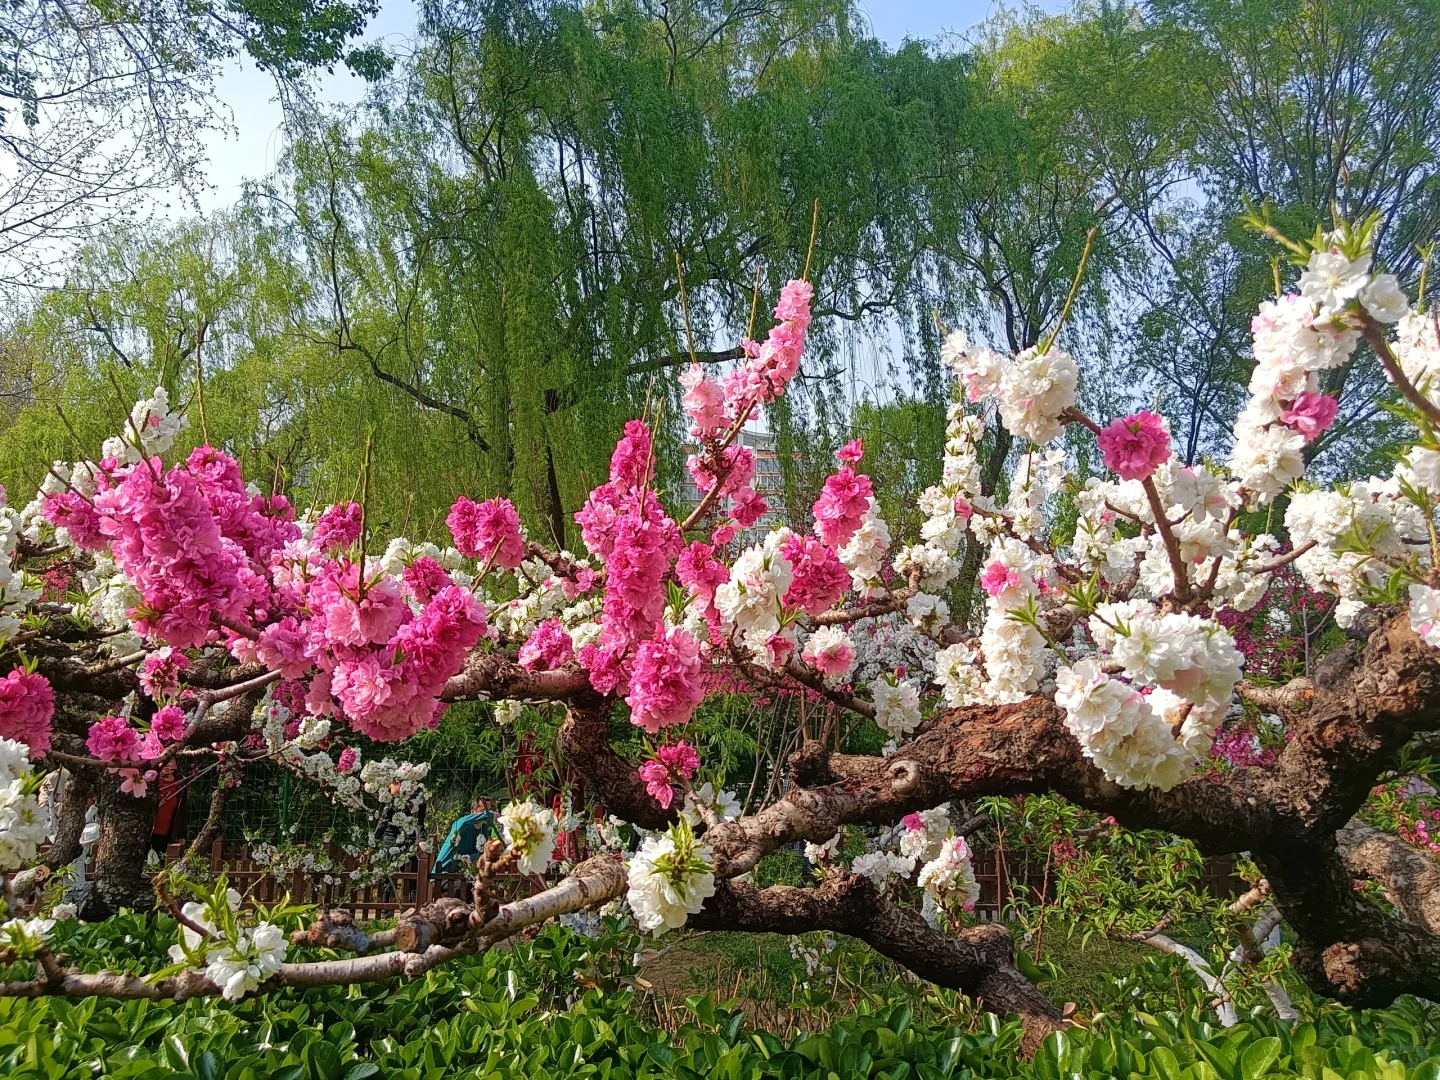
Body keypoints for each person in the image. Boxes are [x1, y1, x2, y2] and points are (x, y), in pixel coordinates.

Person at [432, 797, 499, 876]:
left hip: (464, 874)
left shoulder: (484, 828)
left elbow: (481, 853)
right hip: (443, 875)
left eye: (490, 810)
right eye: (484, 811)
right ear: (473, 811)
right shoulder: (462, 823)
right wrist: (494, 815)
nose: (487, 813)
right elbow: (465, 821)